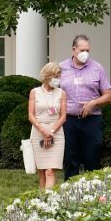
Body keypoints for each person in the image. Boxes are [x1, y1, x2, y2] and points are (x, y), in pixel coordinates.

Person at [58, 35, 111, 178]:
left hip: (92, 120)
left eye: (88, 50)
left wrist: (93, 103)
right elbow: (52, 92)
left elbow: (108, 95)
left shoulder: (97, 68)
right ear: (73, 50)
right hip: (68, 120)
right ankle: (69, 191)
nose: (85, 53)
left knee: (92, 157)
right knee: (70, 158)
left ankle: (93, 191)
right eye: (82, 50)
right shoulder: (61, 68)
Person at [27, 61, 67, 191]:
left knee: (50, 171)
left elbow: (63, 116)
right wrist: (43, 130)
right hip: (38, 132)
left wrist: (51, 131)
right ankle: (41, 200)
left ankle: (49, 199)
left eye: (59, 76)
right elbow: (31, 115)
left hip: (56, 132)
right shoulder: (35, 92)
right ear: (47, 76)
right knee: (42, 171)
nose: (58, 79)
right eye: (55, 76)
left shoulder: (62, 93)